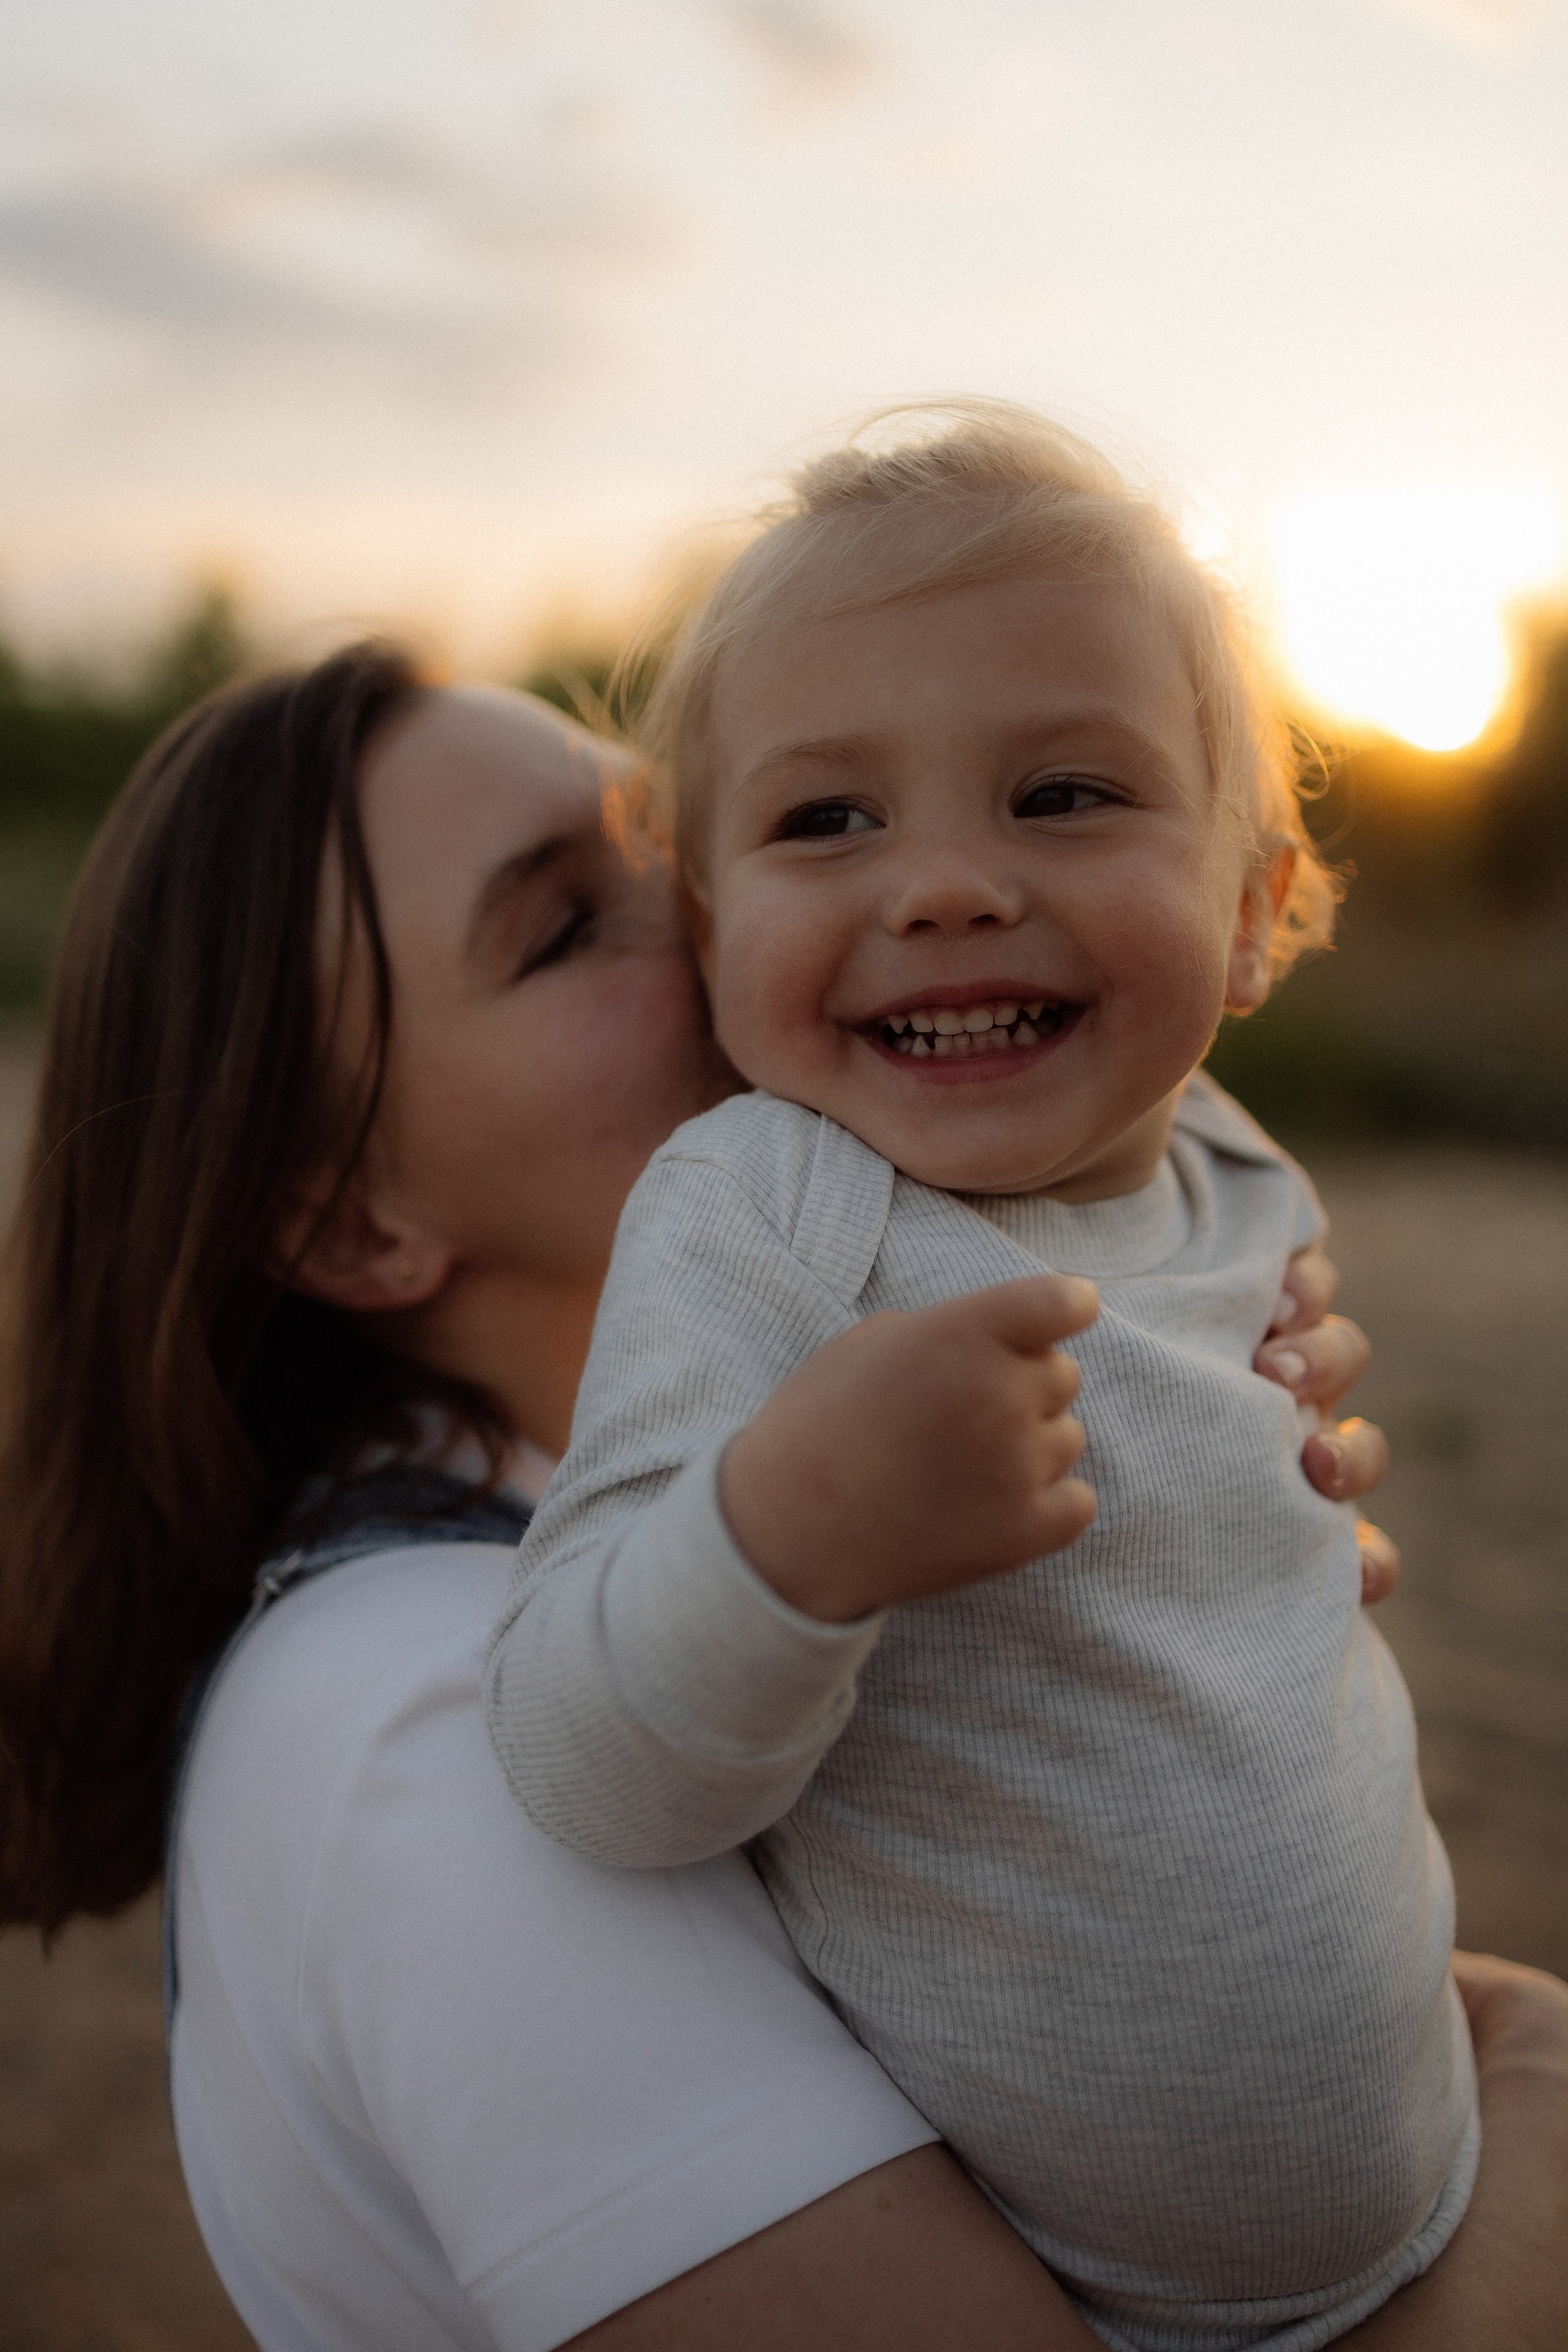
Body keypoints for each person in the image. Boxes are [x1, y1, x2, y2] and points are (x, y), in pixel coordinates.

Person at [0, 642, 1561, 2352]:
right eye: (561, 927)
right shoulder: (425, 1721)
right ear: (349, 1227)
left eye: (672, 845)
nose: (729, 908)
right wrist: (1533, 2078)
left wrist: (1212, 1486)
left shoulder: (753, 1515)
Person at [482, 409, 1474, 2350]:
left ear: (1255, 914)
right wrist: (795, 1533)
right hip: (1090, 2296)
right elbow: (575, 1756)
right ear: (711, 931)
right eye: (826, 821)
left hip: (1427, 2164)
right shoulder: (768, 1210)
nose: (940, 885)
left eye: (1067, 794)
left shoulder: (1233, 1166)